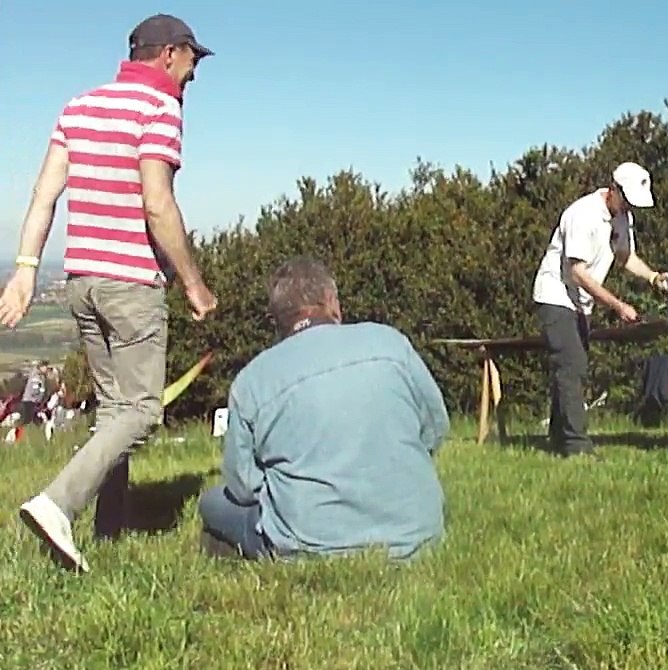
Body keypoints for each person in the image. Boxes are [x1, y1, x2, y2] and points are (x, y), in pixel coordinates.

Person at [1, 14, 218, 573]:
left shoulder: (78, 107)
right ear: (170, 54)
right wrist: (194, 283)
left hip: (81, 283)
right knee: (143, 410)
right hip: (130, 284)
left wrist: (25, 271)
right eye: (191, 67)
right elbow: (157, 203)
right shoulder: (160, 108)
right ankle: (57, 504)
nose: (190, 81)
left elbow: (45, 195)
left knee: (114, 413)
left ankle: (109, 529)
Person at [197, 257, 450, 561]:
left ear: (276, 319)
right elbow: (435, 428)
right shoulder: (391, 344)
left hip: (306, 543)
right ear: (331, 301)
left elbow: (243, 486)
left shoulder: (252, 381)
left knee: (212, 501)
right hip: (418, 535)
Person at [530, 162, 668, 458]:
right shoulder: (582, 215)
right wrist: (618, 305)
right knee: (572, 365)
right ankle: (577, 445)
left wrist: (653, 277)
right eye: (627, 200)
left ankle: (559, 437)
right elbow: (577, 273)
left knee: (571, 366)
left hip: (580, 302)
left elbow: (625, 257)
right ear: (613, 189)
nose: (628, 208)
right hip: (555, 295)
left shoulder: (623, 218)